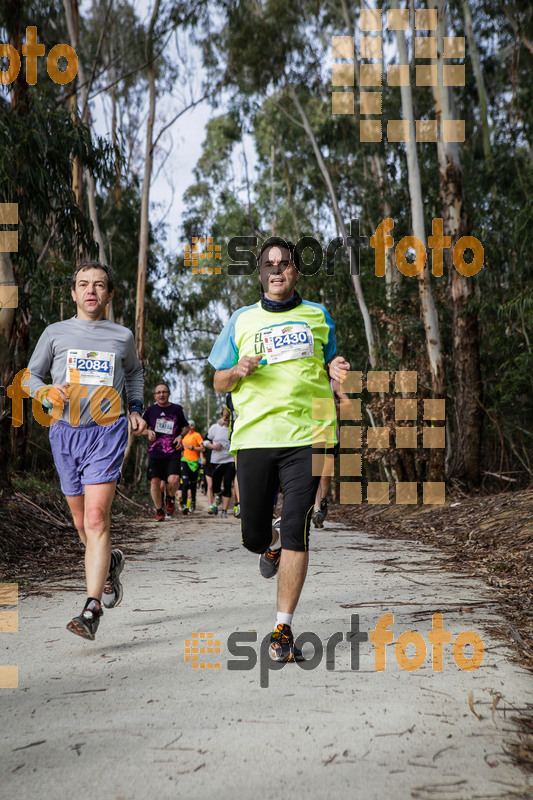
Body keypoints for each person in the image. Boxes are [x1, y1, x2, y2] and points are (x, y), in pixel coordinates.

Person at [209, 238, 349, 662]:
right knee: (253, 533)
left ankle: (282, 628)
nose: (276, 271)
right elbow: (218, 381)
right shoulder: (241, 319)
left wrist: (337, 369)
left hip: (305, 436)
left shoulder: (318, 315)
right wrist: (236, 370)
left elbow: (330, 363)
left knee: (297, 529)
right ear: (260, 274)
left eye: (284, 264)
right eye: (269, 265)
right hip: (254, 437)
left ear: (295, 271)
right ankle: (267, 543)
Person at [27, 261, 146, 641]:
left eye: (99, 285)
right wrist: (44, 392)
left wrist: (136, 408)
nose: (91, 290)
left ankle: (91, 607)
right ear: (74, 294)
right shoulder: (55, 333)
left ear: (109, 294)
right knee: (82, 524)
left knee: (96, 520)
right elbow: (30, 377)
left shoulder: (121, 336)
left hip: (106, 431)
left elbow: (134, 373)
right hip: (65, 432)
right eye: (83, 284)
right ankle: (108, 562)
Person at [142, 382, 188, 521]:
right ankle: (159, 510)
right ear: (155, 395)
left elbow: (185, 427)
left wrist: (181, 435)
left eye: (164, 391)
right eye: (158, 392)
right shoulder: (150, 411)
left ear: (169, 393)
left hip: (173, 451)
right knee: (156, 483)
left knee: (173, 480)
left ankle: (170, 497)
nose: (161, 394)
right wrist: (148, 431)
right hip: (156, 451)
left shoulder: (177, 409)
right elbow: (140, 429)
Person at [312, 377, 349, 528]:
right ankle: (316, 511)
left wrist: (333, 407)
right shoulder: (305, 379)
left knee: (325, 476)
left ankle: (322, 501)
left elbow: (348, 405)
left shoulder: (333, 382)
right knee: (314, 474)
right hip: (310, 434)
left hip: (330, 434)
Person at [204, 407, 235, 518]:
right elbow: (205, 441)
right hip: (216, 461)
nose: (226, 419)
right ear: (221, 416)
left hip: (229, 460)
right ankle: (219, 495)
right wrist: (213, 446)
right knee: (215, 486)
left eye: (228, 416)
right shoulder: (215, 428)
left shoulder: (234, 428)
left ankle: (224, 511)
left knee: (227, 484)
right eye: (224, 416)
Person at [180, 420, 205, 513]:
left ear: (194, 427)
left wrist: (192, 447)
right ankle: (184, 506)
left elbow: (202, 448)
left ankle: (193, 501)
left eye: (191, 425)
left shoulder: (197, 435)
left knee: (193, 485)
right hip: (184, 461)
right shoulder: (184, 437)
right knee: (185, 483)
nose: (190, 427)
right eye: (188, 425)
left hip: (194, 462)